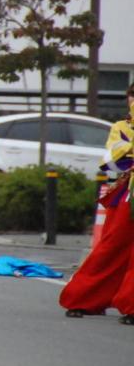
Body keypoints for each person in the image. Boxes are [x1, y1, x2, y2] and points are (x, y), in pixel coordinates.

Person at [60, 83, 134, 325]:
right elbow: (112, 160)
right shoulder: (121, 127)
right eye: (131, 97)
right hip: (128, 193)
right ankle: (83, 297)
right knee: (111, 246)